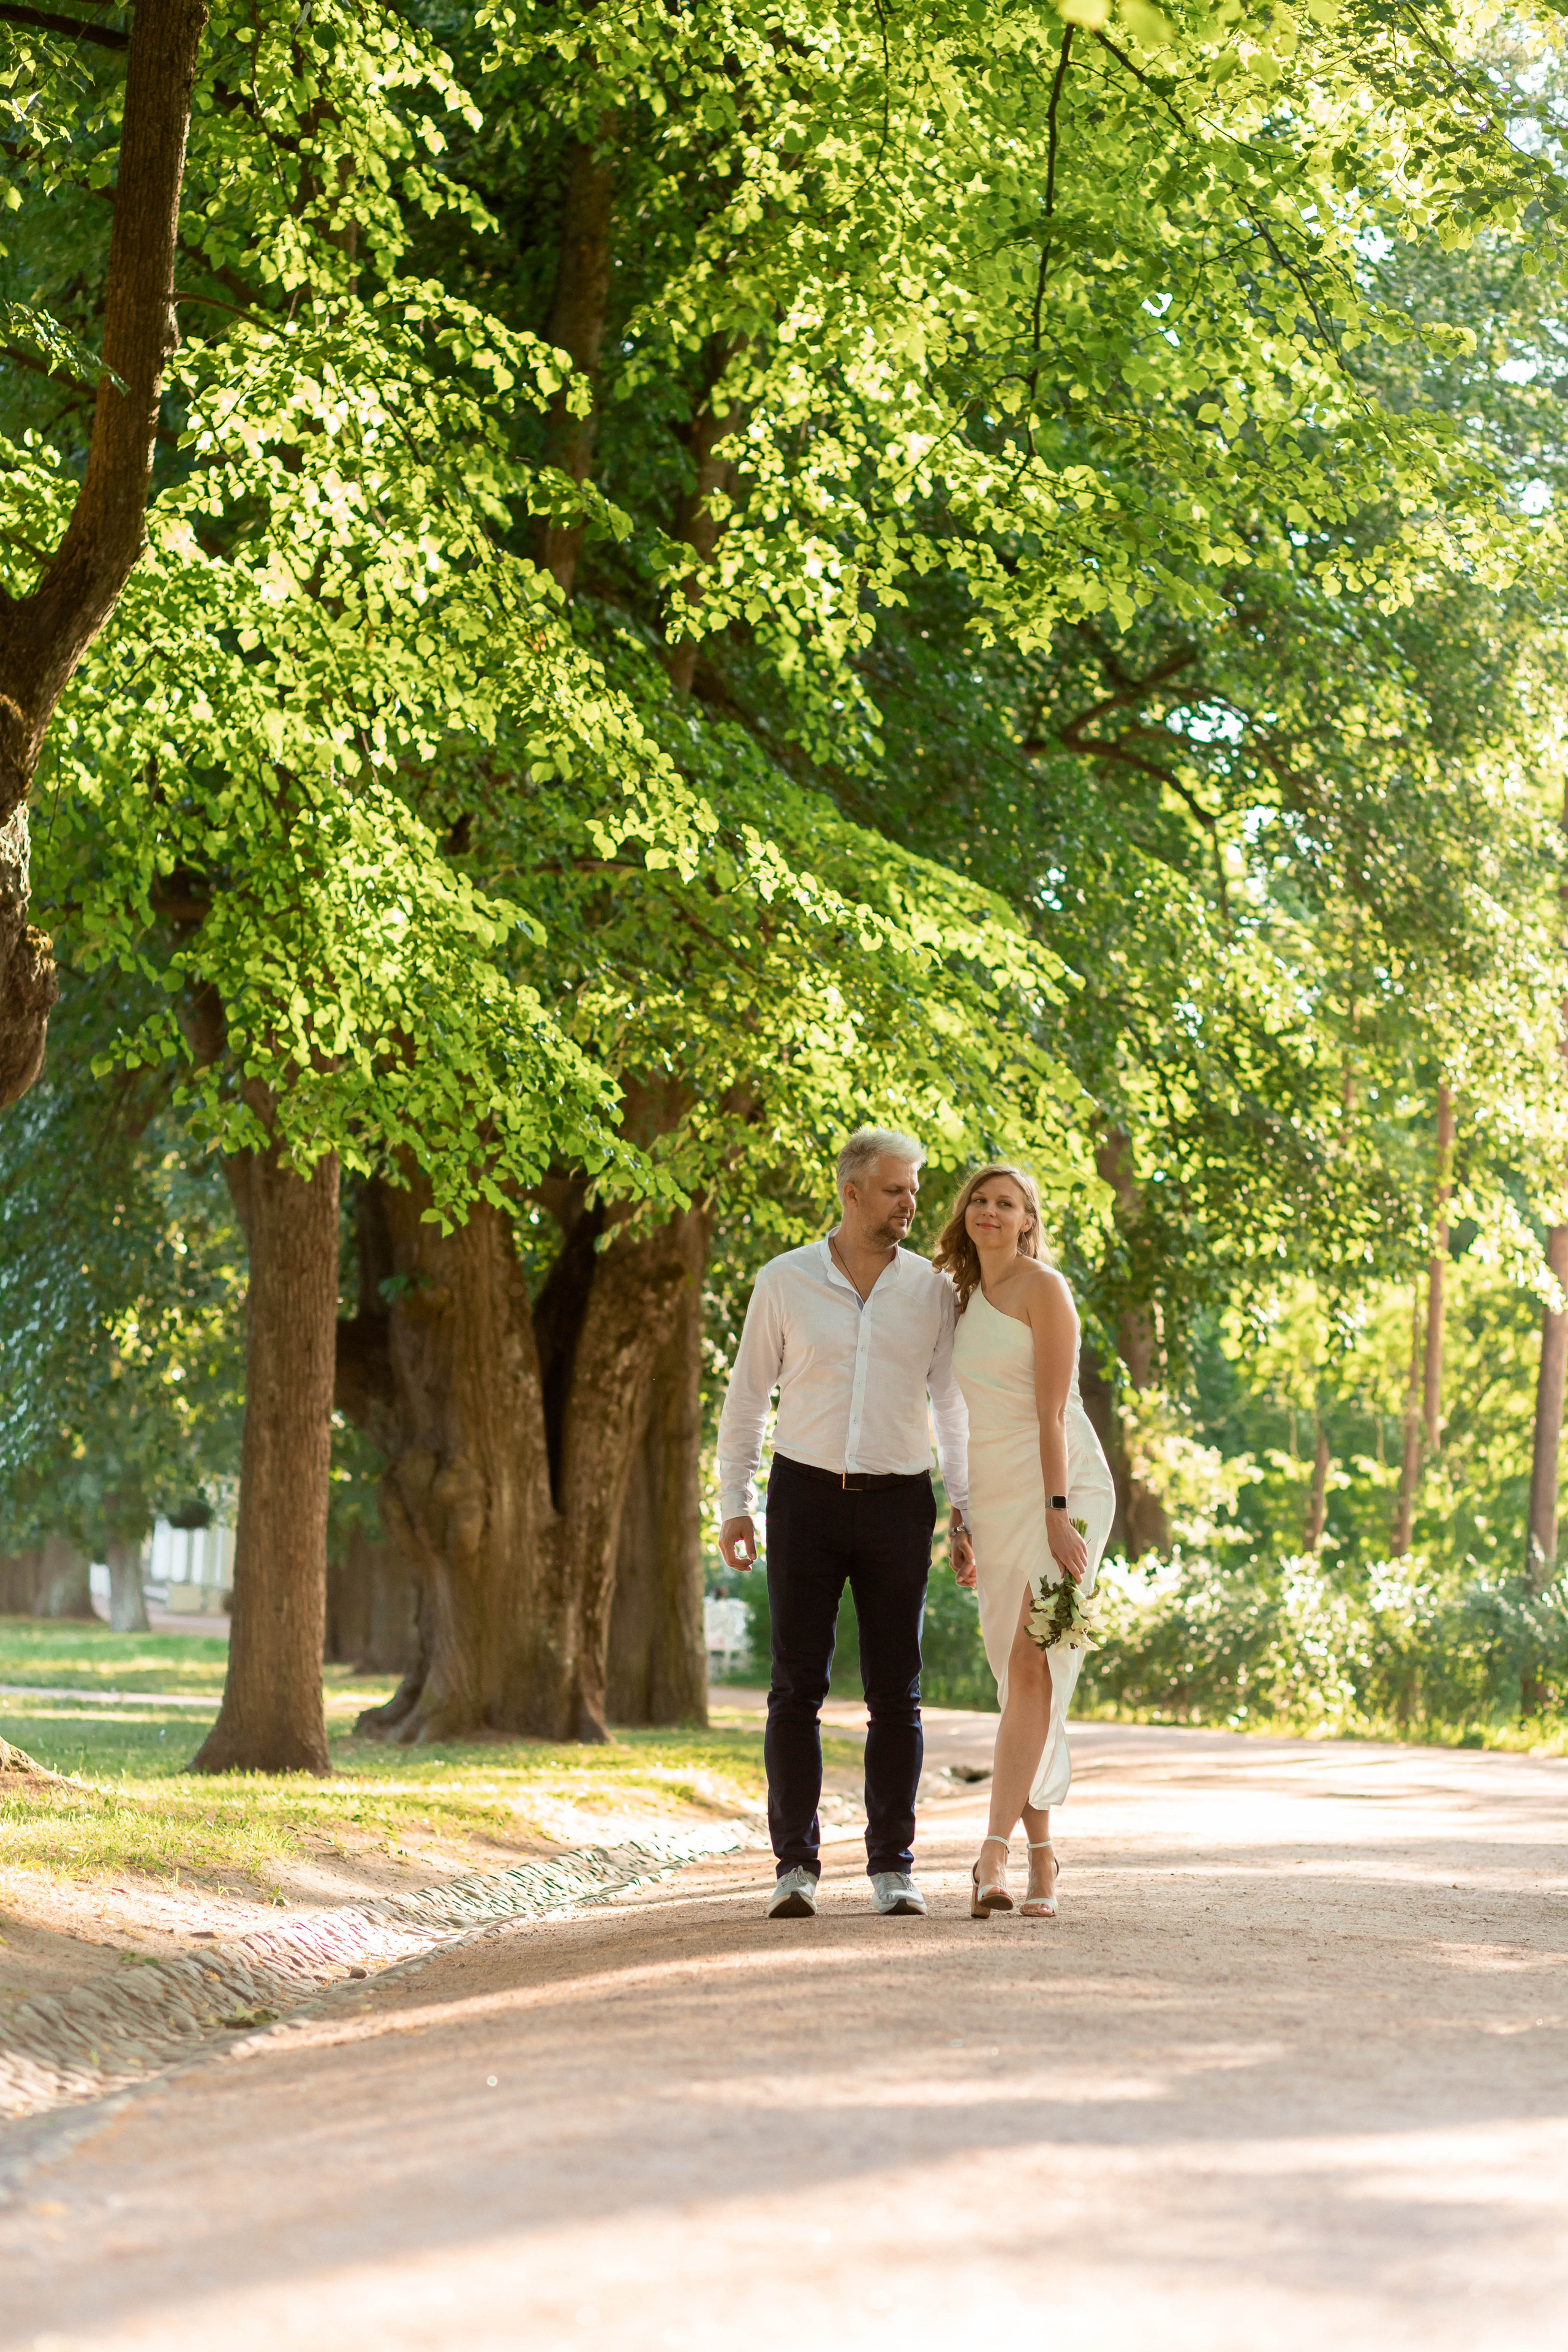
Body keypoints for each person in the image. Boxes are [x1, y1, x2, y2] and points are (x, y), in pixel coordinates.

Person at [716, 1126, 973, 1920]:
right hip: (804, 1497)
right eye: (896, 1190)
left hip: (900, 1501)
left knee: (898, 1694)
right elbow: (748, 1399)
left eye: (915, 1190)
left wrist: (964, 1506)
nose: (911, 1204)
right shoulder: (785, 1282)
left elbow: (951, 1403)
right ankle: (794, 1865)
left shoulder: (932, 1288)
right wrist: (735, 1503)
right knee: (797, 1688)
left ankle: (893, 1866)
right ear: (851, 1192)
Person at [933, 1164, 1115, 1920]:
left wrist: (1055, 1511)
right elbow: (956, 1416)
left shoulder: (1047, 1290)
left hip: (1063, 1492)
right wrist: (963, 1516)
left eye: (1005, 1203)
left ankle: (991, 1851)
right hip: (998, 1496)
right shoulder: (962, 1298)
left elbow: (1050, 1416)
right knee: (1020, 1686)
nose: (988, 1211)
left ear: (1027, 1220)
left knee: (1030, 1660)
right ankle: (1042, 1861)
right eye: (978, 1200)